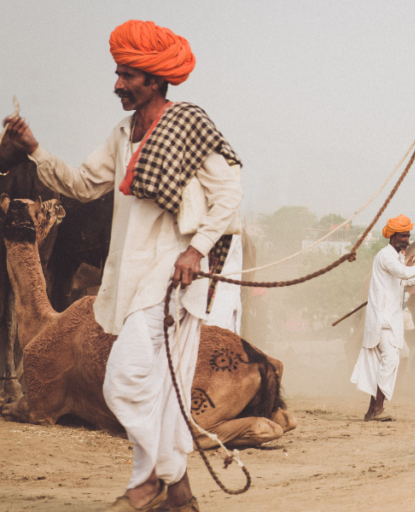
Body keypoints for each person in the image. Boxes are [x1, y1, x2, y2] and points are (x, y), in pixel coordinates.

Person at [3, 20, 242, 512]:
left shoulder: (188, 124)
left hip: (171, 274)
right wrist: (34, 150)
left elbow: (229, 193)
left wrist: (196, 249)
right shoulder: (121, 133)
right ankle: (174, 493)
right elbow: (82, 183)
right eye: (117, 73)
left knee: (123, 380)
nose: (117, 85)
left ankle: (164, 480)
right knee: (155, 387)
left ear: (155, 79)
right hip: (130, 276)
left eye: (127, 74)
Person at [351, 214, 415, 421]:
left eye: (408, 236)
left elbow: (399, 281)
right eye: (403, 236)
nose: (407, 240)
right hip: (383, 321)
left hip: (387, 320)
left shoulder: (395, 257)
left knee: (382, 364)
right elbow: (401, 273)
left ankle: (372, 411)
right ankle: (377, 410)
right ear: (392, 237)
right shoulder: (386, 256)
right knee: (389, 362)